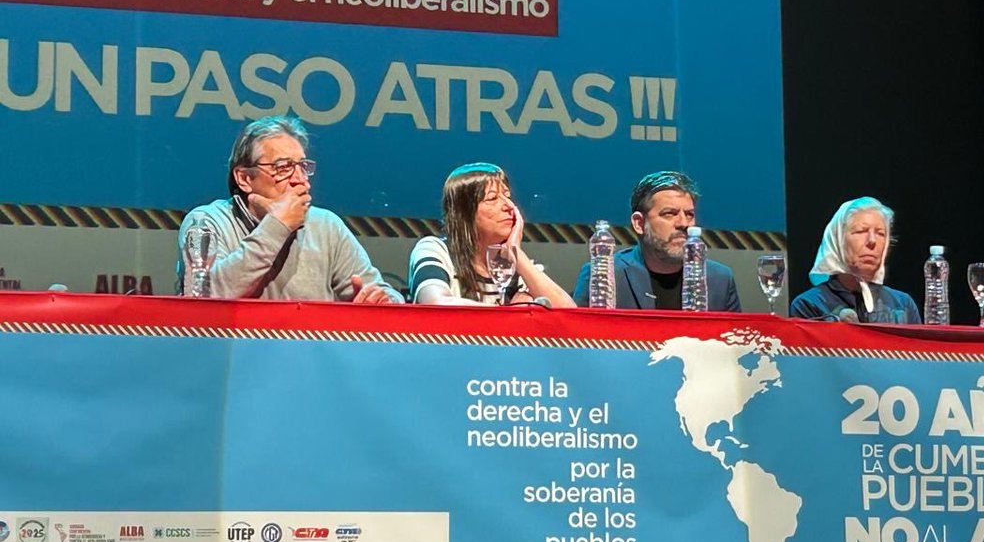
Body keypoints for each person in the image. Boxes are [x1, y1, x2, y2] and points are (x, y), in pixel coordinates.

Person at [176, 116, 401, 303]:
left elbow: (386, 295)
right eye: (283, 167)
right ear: (245, 178)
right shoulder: (205, 222)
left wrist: (381, 301)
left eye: (303, 166)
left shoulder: (326, 226)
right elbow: (204, 296)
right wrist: (277, 226)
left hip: (309, 344)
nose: (300, 180)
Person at [408, 163, 575, 307]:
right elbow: (435, 303)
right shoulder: (435, 250)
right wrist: (510, 314)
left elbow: (566, 312)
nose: (509, 205)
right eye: (492, 198)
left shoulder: (518, 267)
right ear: (464, 213)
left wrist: (516, 253)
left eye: (507, 196)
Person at [572, 170, 740, 310]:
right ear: (639, 223)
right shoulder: (604, 274)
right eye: (669, 214)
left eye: (689, 214)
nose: (684, 223)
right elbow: (578, 336)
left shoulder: (720, 279)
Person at [789, 197, 920, 323]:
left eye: (880, 233)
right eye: (861, 231)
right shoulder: (810, 306)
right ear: (837, 241)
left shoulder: (903, 305)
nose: (872, 241)